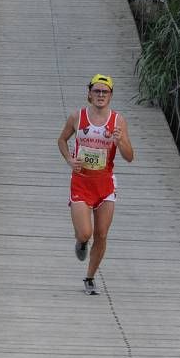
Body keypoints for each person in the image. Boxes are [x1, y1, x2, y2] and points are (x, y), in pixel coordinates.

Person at [56, 74, 135, 295]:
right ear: (89, 94)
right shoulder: (77, 117)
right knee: (85, 233)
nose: (101, 95)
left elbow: (129, 157)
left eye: (105, 92)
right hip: (81, 182)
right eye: (97, 91)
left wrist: (121, 141)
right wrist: (69, 160)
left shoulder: (118, 121)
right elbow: (61, 140)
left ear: (110, 96)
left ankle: (89, 277)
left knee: (101, 234)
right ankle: (81, 242)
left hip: (105, 184)